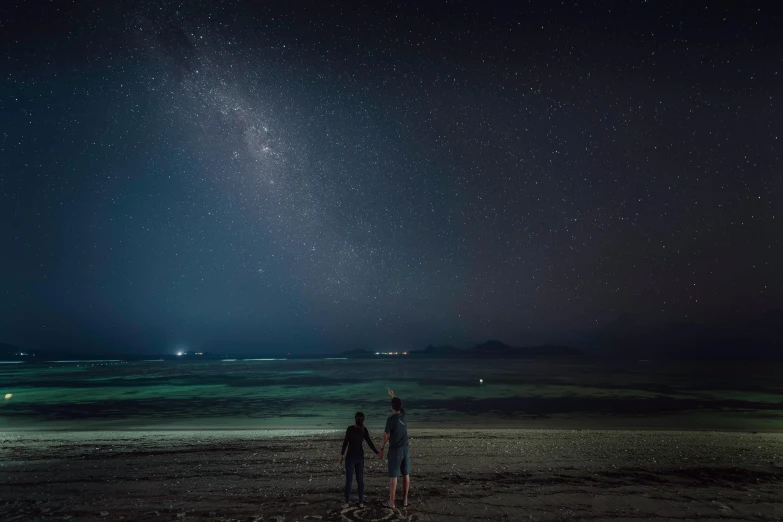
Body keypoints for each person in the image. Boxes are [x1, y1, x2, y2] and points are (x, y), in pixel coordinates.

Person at [339, 411, 383, 508]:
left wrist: (342, 455)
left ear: (355, 419)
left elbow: (345, 443)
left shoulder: (350, 429)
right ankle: (361, 502)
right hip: (360, 458)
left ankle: (346, 502)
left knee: (349, 480)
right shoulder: (363, 430)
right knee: (360, 480)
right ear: (363, 420)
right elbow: (369, 443)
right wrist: (377, 452)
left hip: (350, 457)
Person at [380, 388, 410, 508]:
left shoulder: (391, 420)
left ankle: (392, 502)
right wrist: (393, 395)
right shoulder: (403, 414)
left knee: (393, 476)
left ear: (393, 407)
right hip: (405, 449)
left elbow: (386, 435)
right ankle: (405, 500)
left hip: (395, 450)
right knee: (405, 474)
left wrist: (381, 449)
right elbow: (399, 404)